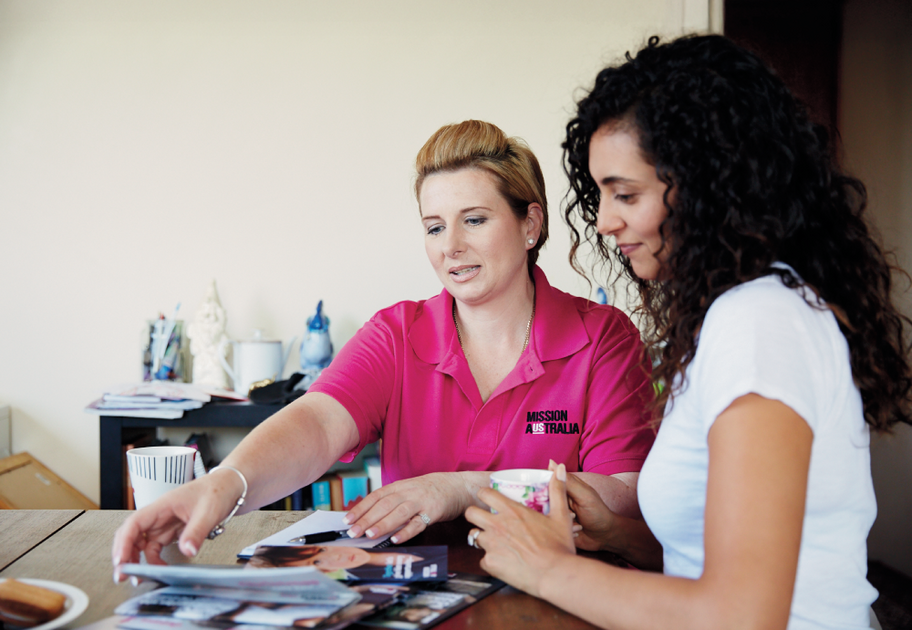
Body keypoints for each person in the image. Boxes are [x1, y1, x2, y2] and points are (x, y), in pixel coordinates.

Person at [465, 34, 912, 630]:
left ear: (708, 188)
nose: (604, 221)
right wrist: (618, 536)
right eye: (600, 194)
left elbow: (743, 614)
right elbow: (716, 561)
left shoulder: (761, 322)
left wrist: (545, 567)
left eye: (625, 193)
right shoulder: (734, 318)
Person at [112, 120, 656, 575]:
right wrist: (224, 483)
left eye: (475, 220)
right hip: (413, 594)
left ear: (530, 222)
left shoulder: (603, 337)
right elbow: (318, 423)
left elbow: (622, 494)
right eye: (434, 227)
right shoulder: (396, 333)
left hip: (558, 597)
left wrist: (463, 488)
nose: (452, 248)